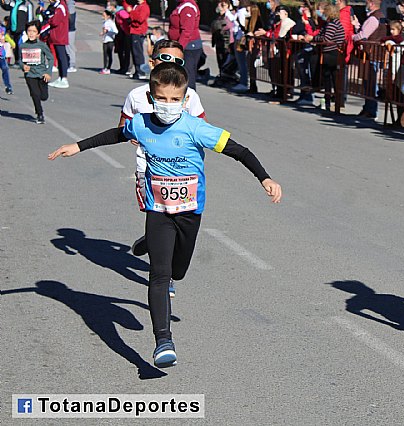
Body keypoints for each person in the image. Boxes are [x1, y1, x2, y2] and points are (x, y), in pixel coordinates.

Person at [48, 62, 282, 368]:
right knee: (159, 275)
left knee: (178, 270)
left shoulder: (196, 128)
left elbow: (239, 150)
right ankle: (163, 341)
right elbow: (117, 134)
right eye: (163, 99)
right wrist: (77, 146)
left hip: (189, 212)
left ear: (185, 100)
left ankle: (148, 242)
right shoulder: (142, 123)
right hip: (157, 210)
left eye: (175, 100)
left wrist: (265, 178)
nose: (168, 106)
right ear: (151, 95)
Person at [119, 40, 207, 301]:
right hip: (147, 167)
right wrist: (141, 136)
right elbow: (123, 126)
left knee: (175, 221)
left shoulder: (189, 95)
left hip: (181, 172)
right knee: (156, 214)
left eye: (178, 61)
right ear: (153, 61)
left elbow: (201, 127)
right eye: (165, 58)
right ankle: (162, 272)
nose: (171, 64)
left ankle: (154, 245)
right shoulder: (136, 96)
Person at [352, 0, 387, 120]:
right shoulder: (379, 16)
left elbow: (363, 35)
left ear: (371, 3)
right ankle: (368, 108)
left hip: (372, 54)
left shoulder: (373, 18)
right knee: (369, 83)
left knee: (370, 83)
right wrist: (357, 26)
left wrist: (351, 37)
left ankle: (371, 110)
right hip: (375, 53)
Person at [305, 3, 344, 111]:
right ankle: (329, 101)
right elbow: (321, 34)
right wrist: (314, 37)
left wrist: (312, 39)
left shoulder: (332, 24)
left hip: (332, 53)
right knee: (329, 77)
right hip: (330, 53)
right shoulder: (330, 23)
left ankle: (316, 85)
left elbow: (326, 38)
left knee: (317, 63)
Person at [18, 19, 53, 123]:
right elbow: (19, 60)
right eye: (29, 31)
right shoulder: (23, 46)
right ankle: (39, 114)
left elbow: (50, 58)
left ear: (38, 33)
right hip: (29, 75)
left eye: (34, 31)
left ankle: (40, 105)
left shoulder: (42, 45)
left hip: (42, 74)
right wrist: (22, 66)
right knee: (35, 94)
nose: (31, 33)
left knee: (43, 96)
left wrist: (48, 72)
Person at [168, 0, 203, 90]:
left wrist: (179, 48)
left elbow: (187, 31)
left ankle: (189, 100)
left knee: (187, 75)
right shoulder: (181, 5)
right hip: (182, 45)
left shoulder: (188, 7)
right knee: (180, 75)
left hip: (189, 47)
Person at [46, 0, 69, 88]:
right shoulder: (58, 6)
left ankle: (64, 78)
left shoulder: (61, 7)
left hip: (60, 36)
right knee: (59, 57)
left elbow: (55, 21)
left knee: (62, 56)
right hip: (56, 36)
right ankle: (60, 77)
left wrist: (50, 18)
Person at [229, 0, 250, 93]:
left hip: (240, 38)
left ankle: (243, 82)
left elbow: (243, 26)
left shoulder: (241, 12)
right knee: (240, 61)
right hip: (238, 36)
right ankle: (242, 80)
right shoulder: (240, 11)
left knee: (242, 62)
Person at [126, 0, 149, 79]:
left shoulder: (144, 7)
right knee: (134, 52)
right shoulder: (137, 5)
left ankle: (141, 72)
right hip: (134, 30)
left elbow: (140, 19)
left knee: (138, 52)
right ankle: (137, 71)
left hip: (138, 31)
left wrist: (131, 12)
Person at [99, 8, 117, 75]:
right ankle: (105, 68)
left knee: (109, 55)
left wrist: (108, 31)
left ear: (108, 16)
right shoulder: (104, 22)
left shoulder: (111, 23)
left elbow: (116, 31)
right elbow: (104, 31)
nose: (103, 17)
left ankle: (108, 68)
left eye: (104, 15)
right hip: (105, 40)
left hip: (110, 40)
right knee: (105, 55)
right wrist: (103, 33)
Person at [0, 23, 13, 94]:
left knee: (5, 68)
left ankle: (8, 86)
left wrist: (12, 43)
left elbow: (6, 38)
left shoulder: (2, 29)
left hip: (1, 55)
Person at [64, 0, 75, 72]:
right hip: (67, 29)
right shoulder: (67, 4)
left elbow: (71, 19)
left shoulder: (70, 5)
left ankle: (72, 65)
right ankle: (68, 64)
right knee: (66, 48)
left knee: (70, 48)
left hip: (70, 30)